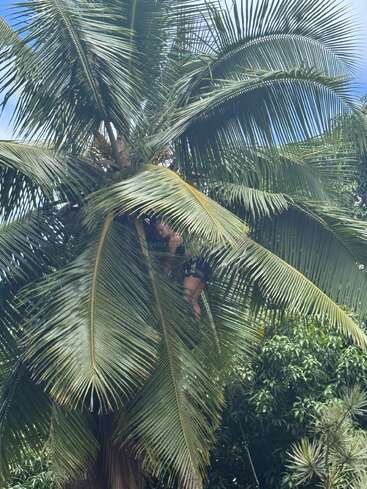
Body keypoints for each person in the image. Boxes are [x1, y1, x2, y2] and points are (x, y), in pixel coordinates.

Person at [151, 219, 209, 318]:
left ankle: (182, 322)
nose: (160, 234)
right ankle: (196, 322)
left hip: (195, 265)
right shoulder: (184, 233)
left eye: (161, 230)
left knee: (186, 297)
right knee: (194, 300)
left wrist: (171, 251)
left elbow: (171, 260)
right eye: (158, 231)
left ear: (168, 225)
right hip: (205, 265)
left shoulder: (175, 238)